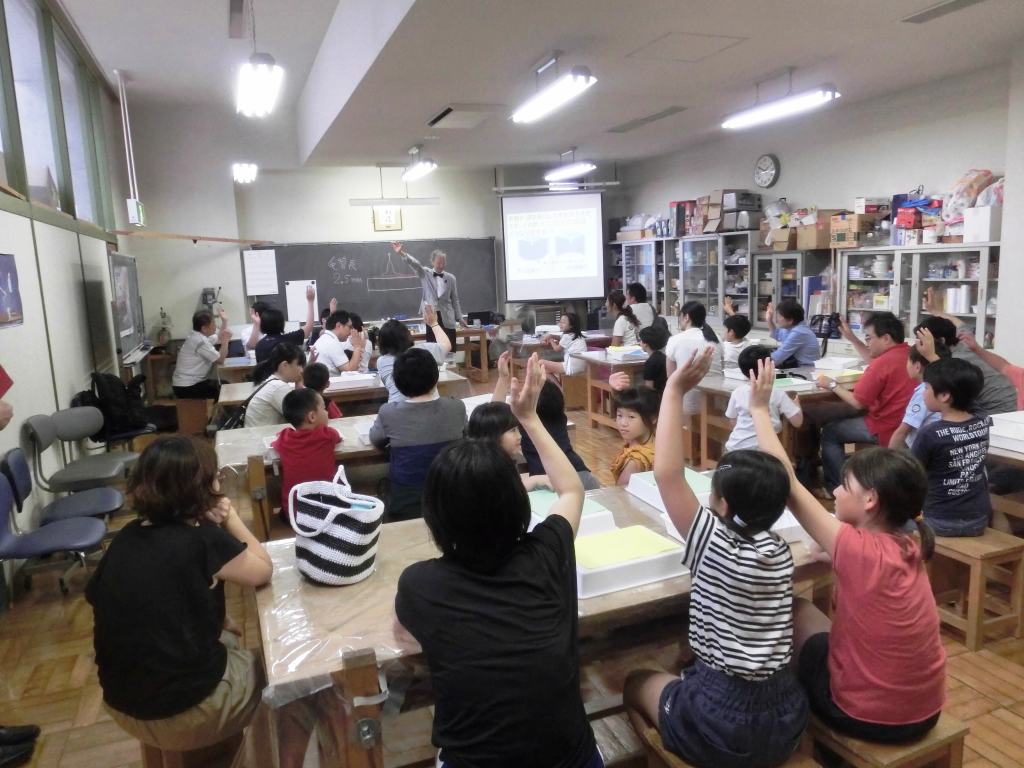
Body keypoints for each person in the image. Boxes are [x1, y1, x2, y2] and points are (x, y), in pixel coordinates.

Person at [394, 354, 600, 768]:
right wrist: (530, 418)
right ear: (517, 503)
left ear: (435, 517)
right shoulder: (546, 552)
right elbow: (572, 491)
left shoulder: (419, 583)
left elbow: (404, 638)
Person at [624, 347, 808, 768]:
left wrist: (673, 391)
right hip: (785, 714)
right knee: (687, 660)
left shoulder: (714, 542)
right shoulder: (780, 551)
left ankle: (666, 751)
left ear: (722, 506)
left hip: (722, 722)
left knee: (635, 682)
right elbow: (785, 477)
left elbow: (668, 473)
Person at [750, 357, 945, 744]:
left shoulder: (856, 548)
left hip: (868, 716)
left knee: (786, 623)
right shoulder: (910, 540)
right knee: (806, 616)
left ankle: (785, 726)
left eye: (844, 486)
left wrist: (758, 408)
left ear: (871, 500)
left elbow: (788, 485)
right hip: (926, 709)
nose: (835, 491)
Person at [86, 437, 273, 757]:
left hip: (121, 703)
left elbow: (131, 601)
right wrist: (231, 519)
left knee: (226, 638)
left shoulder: (126, 537)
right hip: (183, 713)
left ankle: (197, 753)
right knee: (280, 674)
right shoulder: (203, 538)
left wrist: (200, 613)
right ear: (204, 488)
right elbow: (262, 570)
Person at [816, 312, 916, 492]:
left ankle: (838, 488)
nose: (867, 342)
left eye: (869, 338)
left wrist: (831, 384)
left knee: (830, 432)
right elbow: (875, 360)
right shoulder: (909, 354)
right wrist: (853, 339)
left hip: (885, 427)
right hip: (908, 425)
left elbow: (858, 402)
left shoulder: (882, 363)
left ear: (886, 338)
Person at [369, 347, 467, 521]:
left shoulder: (389, 412)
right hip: (454, 498)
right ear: (435, 376)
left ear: (397, 382)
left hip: (407, 503)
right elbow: (467, 436)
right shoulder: (456, 407)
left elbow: (375, 440)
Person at [493, 351, 601, 490]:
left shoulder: (524, 422)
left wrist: (503, 378)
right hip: (582, 474)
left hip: (549, 482)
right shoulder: (560, 417)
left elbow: (494, 416)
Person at [911, 357, 989, 537]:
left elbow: (910, 476)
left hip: (937, 521)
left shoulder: (930, 434)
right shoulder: (982, 419)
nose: (923, 393)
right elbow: (967, 390)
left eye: (927, 387)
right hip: (978, 519)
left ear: (945, 395)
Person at [913, 306, 1017, 415]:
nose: (920, 345)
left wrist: (930, 354)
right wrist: (936, 310)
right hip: (1014, 403)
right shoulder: (964, 341)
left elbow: (945, 378)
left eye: (924, 340)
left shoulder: (958, 361)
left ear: (941, 340)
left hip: (997, 412)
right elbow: (960, 324)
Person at [272, 388, 342, 524]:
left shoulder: (285, 437)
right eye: (324, 408)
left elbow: (276, 442)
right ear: (312, 417)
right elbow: (338, 437)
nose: (327, 412)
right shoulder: (328, 435)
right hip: (329, 512)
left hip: (295, 515)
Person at [725, 345, 803, 452]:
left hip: (734, 448)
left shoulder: (737, 392)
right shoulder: (777, 392)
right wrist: (796, 404)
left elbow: (732, 420)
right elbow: (797, 422)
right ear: (770, 367)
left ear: (742, 370)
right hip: (765, 452)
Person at [391, 241, 464, 347]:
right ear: (432, 262)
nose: (441, 265)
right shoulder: (425, 273)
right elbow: (415, 264)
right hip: (431, 316)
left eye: (443, 262)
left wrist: (460, 318)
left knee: (449, 348)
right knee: (433, 349)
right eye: (439, 262)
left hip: (447, 318)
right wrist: (401, 253)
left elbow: (455, 300)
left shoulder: (451, 278)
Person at [376, 305, 453, 403]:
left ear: (382, 342)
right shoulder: (423, 350)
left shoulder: (381, 361)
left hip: (397, 407)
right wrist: (433, 323)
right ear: (406, 335)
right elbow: (446, 345)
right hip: (431, 405)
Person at [468, 401, 551, 490]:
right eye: (513, 430)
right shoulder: (483, 469)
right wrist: (535, 480)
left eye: (517, 429)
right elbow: (502, 493)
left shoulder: (501, 460)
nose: (519, 436)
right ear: (493, 435)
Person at [888, 340, 950, 450]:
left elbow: (901, 433)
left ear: (917, 367)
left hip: (923, 453)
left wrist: (887, 463)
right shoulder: (947, 386)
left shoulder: (924, 391)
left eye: (907, 360)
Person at [665, 301, 718, 413]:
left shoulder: (675, 340)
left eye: (680, 316)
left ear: (686, 317)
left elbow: (671, 376)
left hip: (686, 399)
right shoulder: (715, 338)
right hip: (715, 400)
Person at [172, 310, 232, 400]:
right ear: (204, 328)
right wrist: (226, 341)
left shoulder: (197, 336)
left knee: (224, 385)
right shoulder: (200, 341)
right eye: (214, 324)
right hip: (187, 387)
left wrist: (225, 321)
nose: (216, 326)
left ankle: (217, 413)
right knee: (224, 390)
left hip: (187, 384)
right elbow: (220, 360)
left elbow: (219, 337)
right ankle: (218, 413)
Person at [244, 343, 305, 428]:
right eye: (299, 365)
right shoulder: (279, 387)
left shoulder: (270, 381)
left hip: (257, 433)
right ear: (285, 365)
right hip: (262, 437)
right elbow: (302, 418)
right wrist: (300, 384)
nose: (302, 370)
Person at [253, 285, 316, 363]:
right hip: (284, 375)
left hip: (265, 375)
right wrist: (310, 301)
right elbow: (309, 327)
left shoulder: (259, 345)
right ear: (281, 324)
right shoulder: (287, 340)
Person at [610, 387, 659, 486]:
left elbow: (619, 492)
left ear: (653, 418)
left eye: (631, 417)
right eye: (619, 415)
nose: (623, 423)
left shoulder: (636, 461)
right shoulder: (651, 439)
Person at [312, 309, 367, 375]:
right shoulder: (331, 343)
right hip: (328, 384)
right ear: (339, 325)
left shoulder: (326, 338)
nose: (351, 331)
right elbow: (350, 371)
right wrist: (357, 347)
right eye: (350, 327)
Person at [767, 299, 820, 368]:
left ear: (790, 320)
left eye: (779, 317)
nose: (777, 319)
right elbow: (777, 334)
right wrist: (769, 320)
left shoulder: (799, 332)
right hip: (797, 367)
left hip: (806, 370)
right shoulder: (791, 327)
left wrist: (755, 361)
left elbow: (777, 358)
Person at [539, 312, 587, 378]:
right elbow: (560, 338)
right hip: (580, 367)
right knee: (546, 371)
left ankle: (558, 387)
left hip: (570, 367)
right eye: (560, 322)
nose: (560, 324)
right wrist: (551, 335)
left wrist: (550, 339)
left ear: (571, 325)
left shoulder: (567, 336)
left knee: (540, 363)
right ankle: (557, 386)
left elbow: (557, 349)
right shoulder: (575, 335)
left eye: (563, 322)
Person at [721, 298, 755, 366]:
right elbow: (740, 325)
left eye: (725, 329)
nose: (724, 332)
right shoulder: (748, 345)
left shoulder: (724, 349)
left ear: (731, 332)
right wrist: (730, 311)